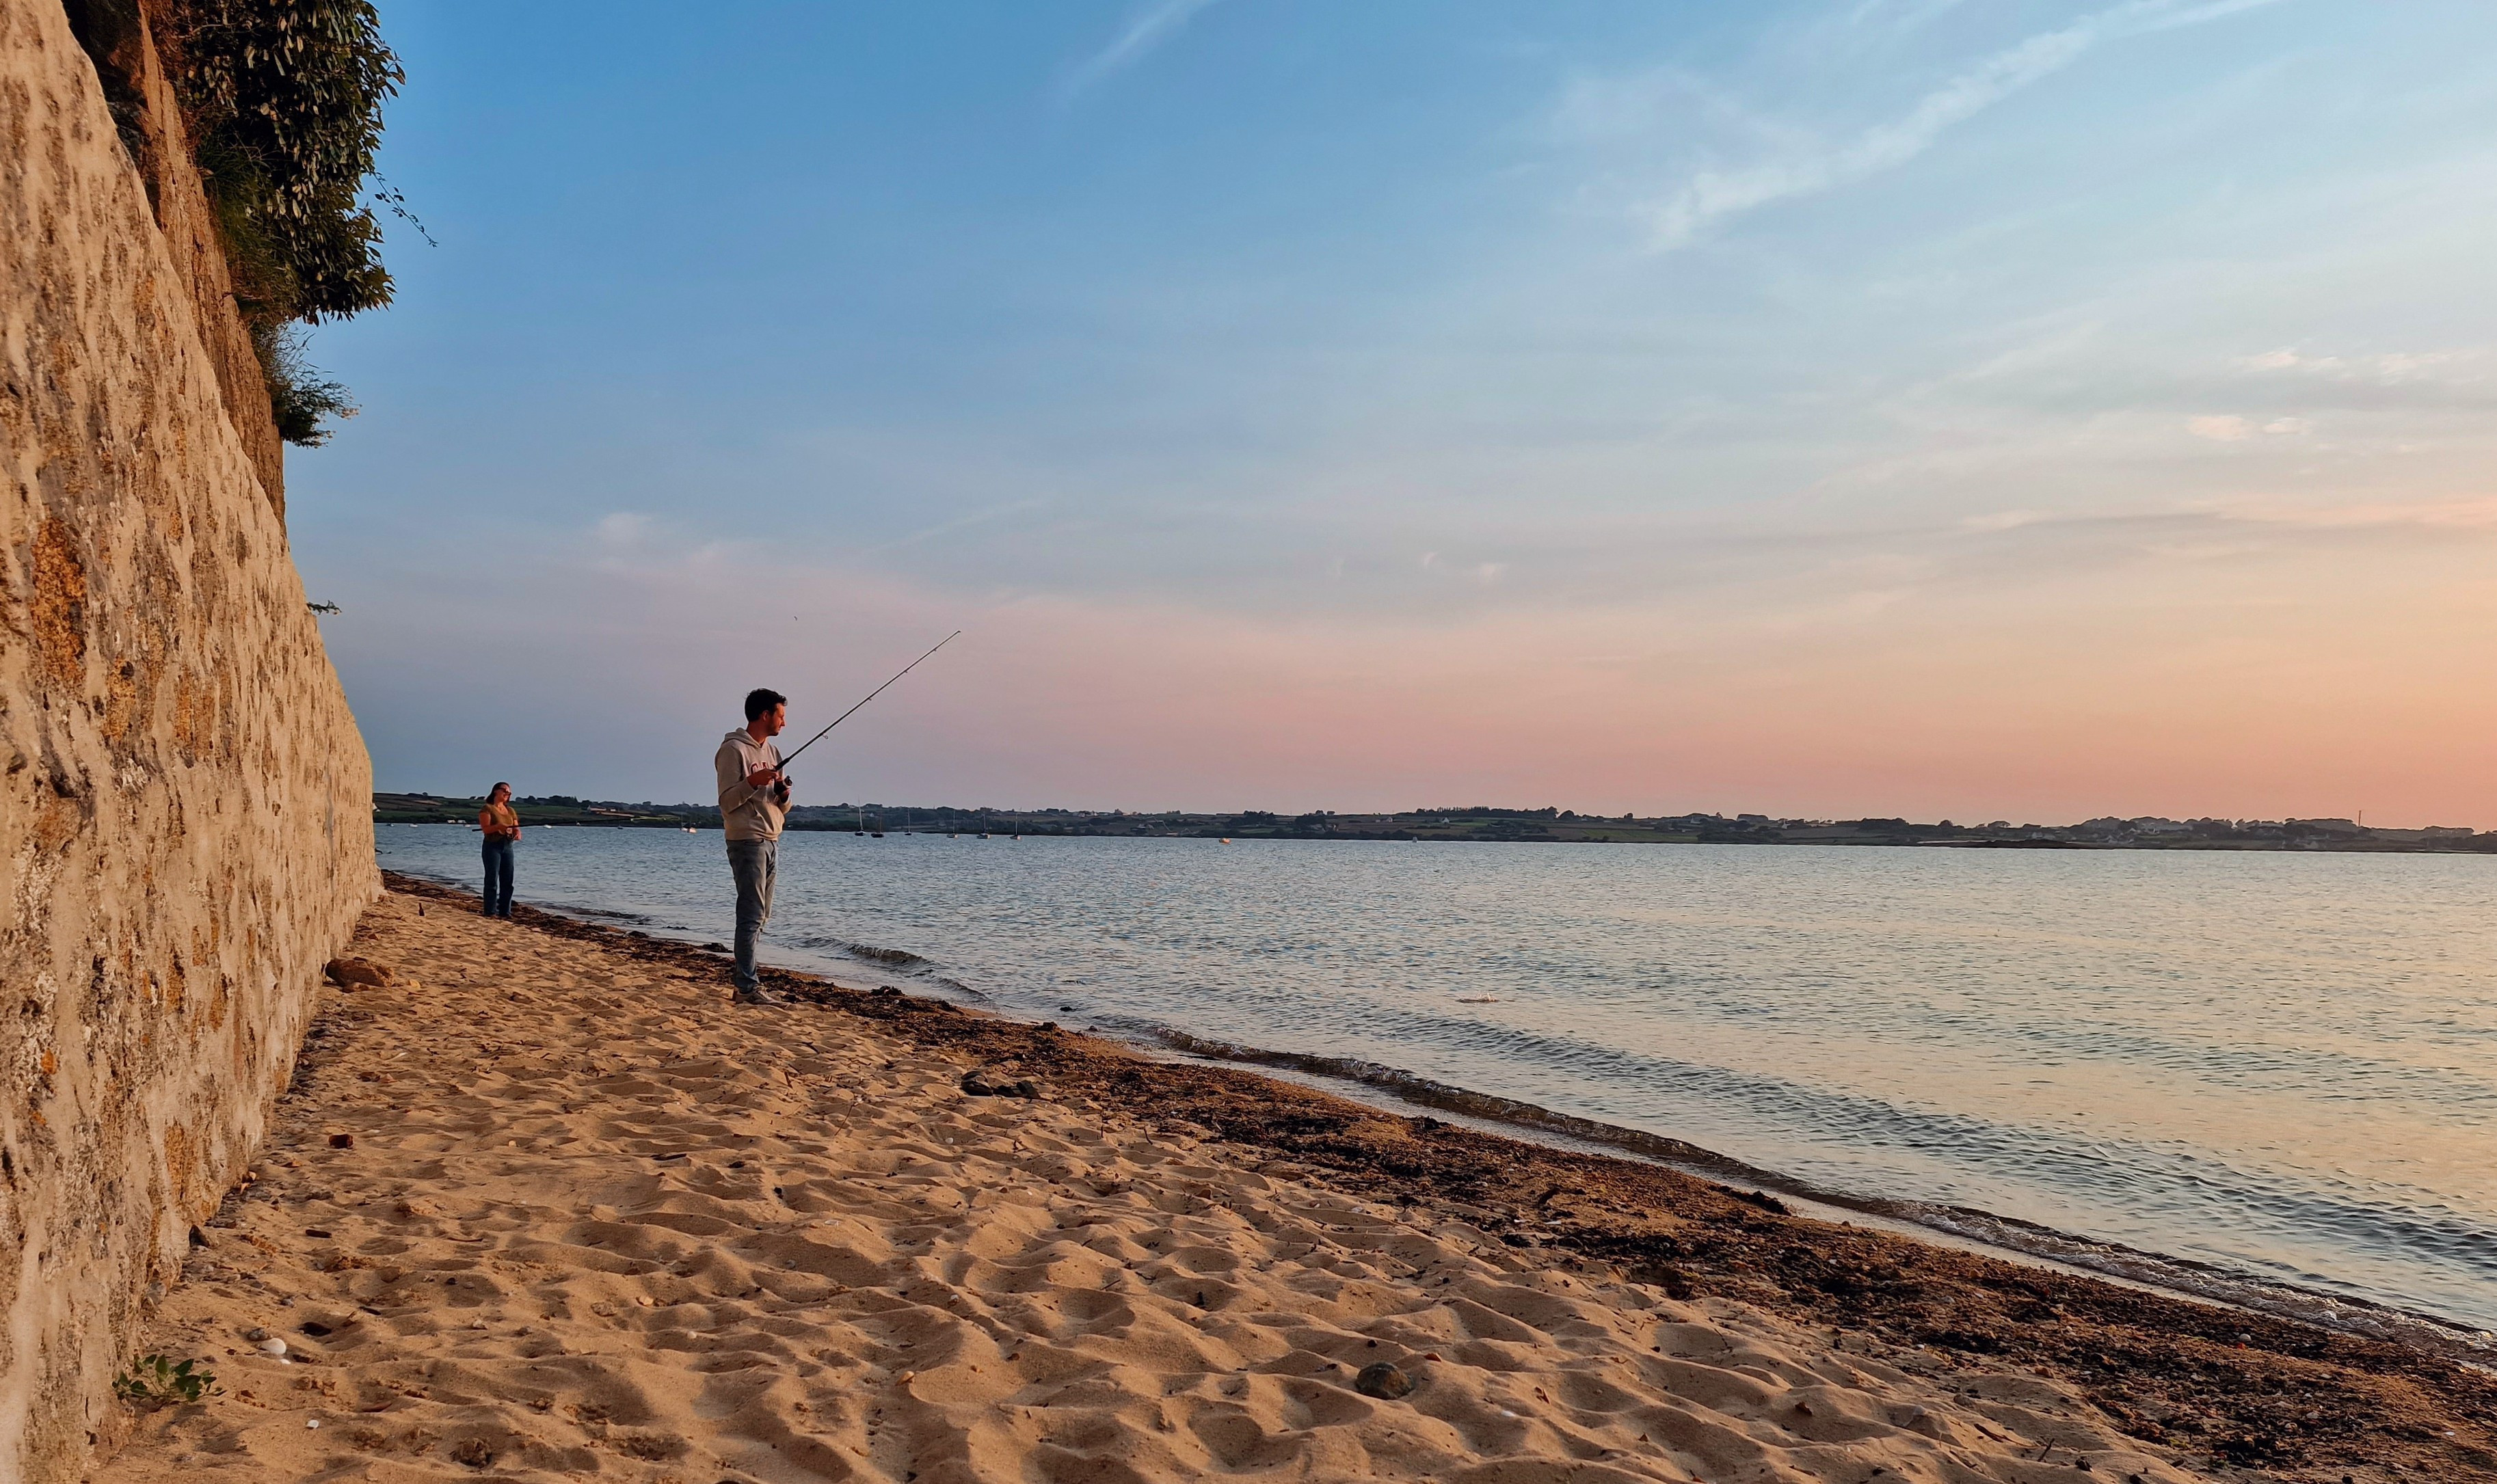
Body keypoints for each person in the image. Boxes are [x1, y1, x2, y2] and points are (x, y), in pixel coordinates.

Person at [716, 688, 792, 1003]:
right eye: (781, 716)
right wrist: (753, 782)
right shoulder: (732, 750)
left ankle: (747, 981)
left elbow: (782, 807)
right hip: (747, 841)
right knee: (750, 915)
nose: (783, 723)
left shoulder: (774, 753)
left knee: (762, 916)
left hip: (772, 838)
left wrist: (783, 793)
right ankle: (746, 987)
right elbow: (726, 803)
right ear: (765, 715)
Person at [477, 782, 520, 919]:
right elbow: (486, 829)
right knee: (492, 879)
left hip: (508, 847)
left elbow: (516, 829)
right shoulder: (487, 809)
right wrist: (498, 827)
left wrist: (516, 833)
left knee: (508, 881)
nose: (508, 794)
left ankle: (505, 912)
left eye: (510, 792)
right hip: (492, 847)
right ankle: (490, 911)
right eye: (505, 791)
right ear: (496, 791)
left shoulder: (511, 811)